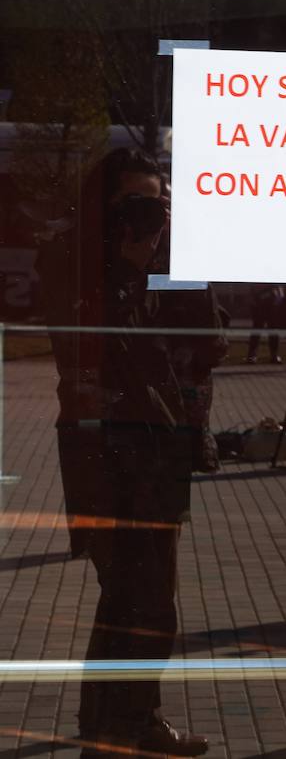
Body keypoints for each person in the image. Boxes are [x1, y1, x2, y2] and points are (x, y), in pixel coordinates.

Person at [39, 148, 209, 757]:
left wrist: (183, 254)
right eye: (131, 204)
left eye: (157, 204)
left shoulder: (169, 262)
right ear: (101, 209)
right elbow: (92, 344)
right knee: (131, 600)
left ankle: (130, 722)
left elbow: (207, 342)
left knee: (149, 601)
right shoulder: (72, 258)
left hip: (160, 453)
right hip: (102, 455)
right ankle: (113, 730)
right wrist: (127, 263)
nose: (147, 217)